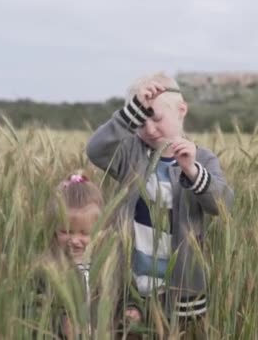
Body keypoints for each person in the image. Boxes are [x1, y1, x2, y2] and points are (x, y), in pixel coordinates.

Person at [86, 73, 234, 338]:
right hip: (130, 281)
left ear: (181, 110)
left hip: (179, 287)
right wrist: (132, 110)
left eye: (155, 118)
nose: (150, 129)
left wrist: (192, 170)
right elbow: (96, 150)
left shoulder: (202, 159)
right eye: (140, 121)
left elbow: (221, 204)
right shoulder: (131, 153)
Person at [30, 173, 142, 339]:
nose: (74, 240)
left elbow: (128, 294)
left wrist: (132, 310)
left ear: (101, 230)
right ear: (53, 228)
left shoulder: (112, 264)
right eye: (65, 231)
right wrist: (59, 322)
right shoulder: (46, 268)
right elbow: (32, 309)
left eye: (84, 233)